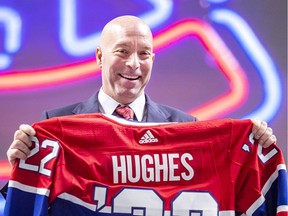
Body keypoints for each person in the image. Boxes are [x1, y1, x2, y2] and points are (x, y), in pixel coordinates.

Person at [2, 15, 276, 197]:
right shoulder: (56, 125)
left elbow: (224, 197)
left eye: (144, 54)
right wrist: (21, 168)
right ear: (100, 57)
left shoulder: (186, 128)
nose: (134, 63)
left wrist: (256, 148)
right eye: (122, 51)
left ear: (153, 59)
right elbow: (18, 205)